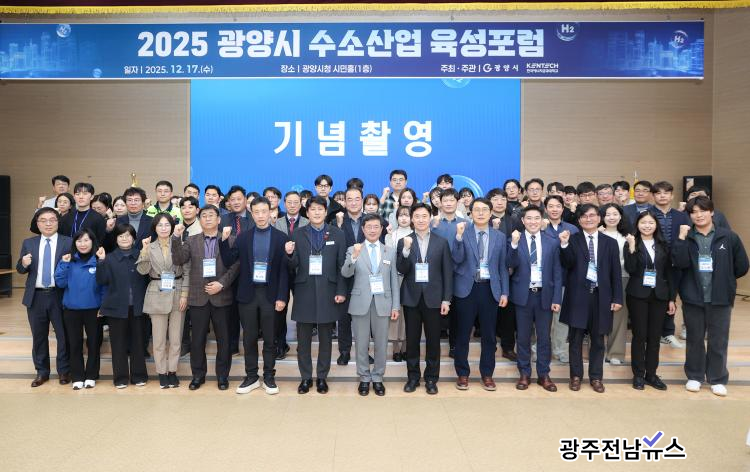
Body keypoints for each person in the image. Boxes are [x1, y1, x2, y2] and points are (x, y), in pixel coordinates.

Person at [673, 196, 748, 397]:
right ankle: (695, 376)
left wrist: (726, 280)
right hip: (693, 297)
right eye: (694, 212)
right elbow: (679, 263)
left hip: (720, 297)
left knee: (718, 340)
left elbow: (742, 265)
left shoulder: (729, 237)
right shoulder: (687, 237)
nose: (698, 215)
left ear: (712, 212)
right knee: (695, 339)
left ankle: (717, 378)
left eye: (703, 210)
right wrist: (681, 238)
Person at [220, 197, 289, 395]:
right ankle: (251, 376)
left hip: (270, 294)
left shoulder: (281, 238)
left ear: (271, 212)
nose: (260, 216)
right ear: (251, 213)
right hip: (248, 294)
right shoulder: (243, 237)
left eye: (264, 211)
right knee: (249, 338)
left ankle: (269, 376)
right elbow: (229, 261)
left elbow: (284, 271)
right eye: (256, 212)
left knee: (270, 338)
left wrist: (282, 297)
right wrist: (224, 241)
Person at [172, 205, 239, 391]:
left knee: (224, 340)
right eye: (204, 216)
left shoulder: (230, 239)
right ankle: (198, 375)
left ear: (219, 220)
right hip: (198, 296)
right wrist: (176, 237)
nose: (207, 218)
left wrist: (221, 284)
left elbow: (236, 266)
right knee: (197, 340)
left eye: (211, 215)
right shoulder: (191, 240)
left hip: (222, 296)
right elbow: (178, 259)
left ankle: (222, 376)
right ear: (199, 220)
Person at [559, 204, 623, 393]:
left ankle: (596, 377)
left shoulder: (610, 243)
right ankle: (575, 376)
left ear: (599, 218)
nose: (589, 219)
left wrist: (617, 297)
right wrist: (564, 245)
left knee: (598, 340)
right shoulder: (572, 239)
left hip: (601, 297)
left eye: (592, 215)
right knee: (575, 339)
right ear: (579, 220)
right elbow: (567, 263)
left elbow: (615, 273)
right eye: (584, 216)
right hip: (578, 297)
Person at [286, 196, 347, 394]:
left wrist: (341, 291)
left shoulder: (337, 234)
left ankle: (322, 377)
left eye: (320, 209)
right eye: (313, 209)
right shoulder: (297, 233)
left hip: (329, 291)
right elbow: (292, 265)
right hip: (304, 290)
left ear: (326, 211)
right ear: (307, 212)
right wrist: (289, 254)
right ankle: (305, 378)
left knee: (326, 339)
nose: (317, 212)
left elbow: (341, 265)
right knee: (303, 340)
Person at [450, 198, 508, 391]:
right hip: (466, 289)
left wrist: (505, 292)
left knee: (489, 336)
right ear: (471, 213)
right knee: (462, 334)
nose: (481, 213)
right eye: (477, 210)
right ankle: (462, 374)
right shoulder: (462, 232)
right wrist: (458, 238)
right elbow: (456, 259)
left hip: (490, 289)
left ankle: (487, 374)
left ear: (491, 213)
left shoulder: (499, 237)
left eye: (484, 210)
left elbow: (502, 267)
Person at [397, 203, 453, 395]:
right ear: (412, 219)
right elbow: (401, 269)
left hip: (434, 298)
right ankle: (413, 377)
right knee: (412, 340)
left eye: (424, 216)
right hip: (411, 298)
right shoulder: (404, 241)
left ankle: (431, 378)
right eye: (417, 216)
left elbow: (447, 273)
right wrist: (405, 251)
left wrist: (446, 299)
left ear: (430, 218)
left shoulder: (441, 242)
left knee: (433, 341)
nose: (420, 220)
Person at [341, 214, 400, 396]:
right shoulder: (354, 249)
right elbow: (345, 273)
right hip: (360, 302)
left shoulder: (389, 251)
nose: (372, 230)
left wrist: (395, 306)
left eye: (376, 227)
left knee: (381, 343)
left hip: (383, 302)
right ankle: (364, 378)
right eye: (369, 227)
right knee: (361, 343)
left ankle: (378, 377)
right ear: (363, 229)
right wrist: (354, 257)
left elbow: (394, 280)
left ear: (381, 229)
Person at [508, 206, 562, 392]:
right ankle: (524, 373)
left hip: (544, 296)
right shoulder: (515, 240)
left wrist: (557, 298)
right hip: (523, 296)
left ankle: (543, 374)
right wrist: (514, 245)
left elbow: (557, 272)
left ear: (542, 220)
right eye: (529, 218)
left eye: (536, 218)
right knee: (523, 337)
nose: (533, 222)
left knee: (544, 338)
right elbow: (509, 264)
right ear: (523, 221)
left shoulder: (552, 242)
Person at [17, 207, 73, 387]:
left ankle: (64, 370)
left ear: (58, 222)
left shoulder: (68, 242)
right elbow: (20, 269)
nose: (48, 223)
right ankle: (42, 372)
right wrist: (23, 263)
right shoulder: (29, 243)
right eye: (43, 220)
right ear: (37, 224)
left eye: (52, 220)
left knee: (63, 336)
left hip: (59, 295)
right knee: (39, 336)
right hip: (36, 296)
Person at [624, 212, 676, 391]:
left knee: (654, 337)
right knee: (639, 336)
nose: (647, 226)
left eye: (650, 222)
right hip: (637, 295)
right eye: (643, 222)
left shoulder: (663, 245)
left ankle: (651, 374)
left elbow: (669, 273)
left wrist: (672, 298)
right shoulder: (631, 242)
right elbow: (631, 269)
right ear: (637, 225)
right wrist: (631, 247)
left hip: (660, 295)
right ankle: (638, 374)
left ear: (656, 225)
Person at [137, 214, 189, 389]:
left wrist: (184, 295)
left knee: (176, 338)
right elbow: (143, 270)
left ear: (172, 227)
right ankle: (161, 372)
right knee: (158, 339)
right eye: (160, 225)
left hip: (177, 291)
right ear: (155, 228)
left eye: (167, 225)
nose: (164, 228)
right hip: (157, 292)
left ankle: (172, 371)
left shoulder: (180, 244)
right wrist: (144, 249)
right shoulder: (149, 246)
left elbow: (187, 271)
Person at [96, 224, 149, 388]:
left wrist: (146, 250)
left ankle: (139, 376)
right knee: (118, 345)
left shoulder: (141, 255)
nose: (124, 239)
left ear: (134, 238)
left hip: (139, 307)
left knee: (138, 343)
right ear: (116, 239)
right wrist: (101, 261)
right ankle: (120, 378)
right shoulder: (109, 258)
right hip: (116, 308)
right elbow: (102, 280)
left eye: (128, 235)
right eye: (120, 236)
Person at [54, 228, 105, 390]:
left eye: (86, 240)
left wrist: (103, 306)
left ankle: (91, 375)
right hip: (72, 310)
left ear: (92, 242)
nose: (83, 244)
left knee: (94, 344)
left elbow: (105, 285)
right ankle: (77, 376)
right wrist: (64, 264)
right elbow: (60, 283)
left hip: (94, 310)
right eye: (79, 240)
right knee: (74, 344)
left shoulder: (99, 260)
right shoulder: (68, 260)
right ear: (74, 243)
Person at [649, 181, 691, 349]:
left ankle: (668, 332)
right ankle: (653, 332)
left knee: (671, 296)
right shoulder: (647, 214)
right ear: (653, 196)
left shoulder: (681, 216)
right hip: (653, 261)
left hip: (675, 261)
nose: (662, 196)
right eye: (658, 193)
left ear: (672, 196)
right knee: (653, 296)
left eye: (666, 193)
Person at [542, 195, 579, 364]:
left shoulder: (572, 229)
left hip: (564, 279)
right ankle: (540, 349)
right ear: (545, 209)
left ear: (563, 209)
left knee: (561, 319)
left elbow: (576, 256)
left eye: (558, 206)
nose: (554, 209)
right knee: (542, 318)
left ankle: (559, 349)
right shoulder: (538, 226)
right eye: (551, 206)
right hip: (542, 280)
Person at [273, 190, 309, 360]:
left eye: (296, 202)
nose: (293, 205)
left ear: (301, 204)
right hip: (281, 271)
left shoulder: (308, 222)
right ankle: (280, 344)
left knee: (302, 308)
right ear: (284, 203)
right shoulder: (276, 223)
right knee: (280, 309)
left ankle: (303, 344)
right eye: (289, 202)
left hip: (301, 271)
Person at [599, 203, 630, 366]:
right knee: (598, 315)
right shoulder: (596, 234)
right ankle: (597, 351)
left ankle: (615, 353)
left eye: (615, 214)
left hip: (622, 278)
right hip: (599, 279)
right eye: (608, 214)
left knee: (619, 316)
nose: (611, 217)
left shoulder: (627, 237)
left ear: (620, 216)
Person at [384, 205, 411, 362]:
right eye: (401, 215)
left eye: (407, 215)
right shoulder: (391, 235)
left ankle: (406, 347)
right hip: (395, 277)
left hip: (412, 279)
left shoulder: (416, 234)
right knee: (395, 312)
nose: (404, 218)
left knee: (409, 314)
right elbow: (388, 258)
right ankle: (396, 348)